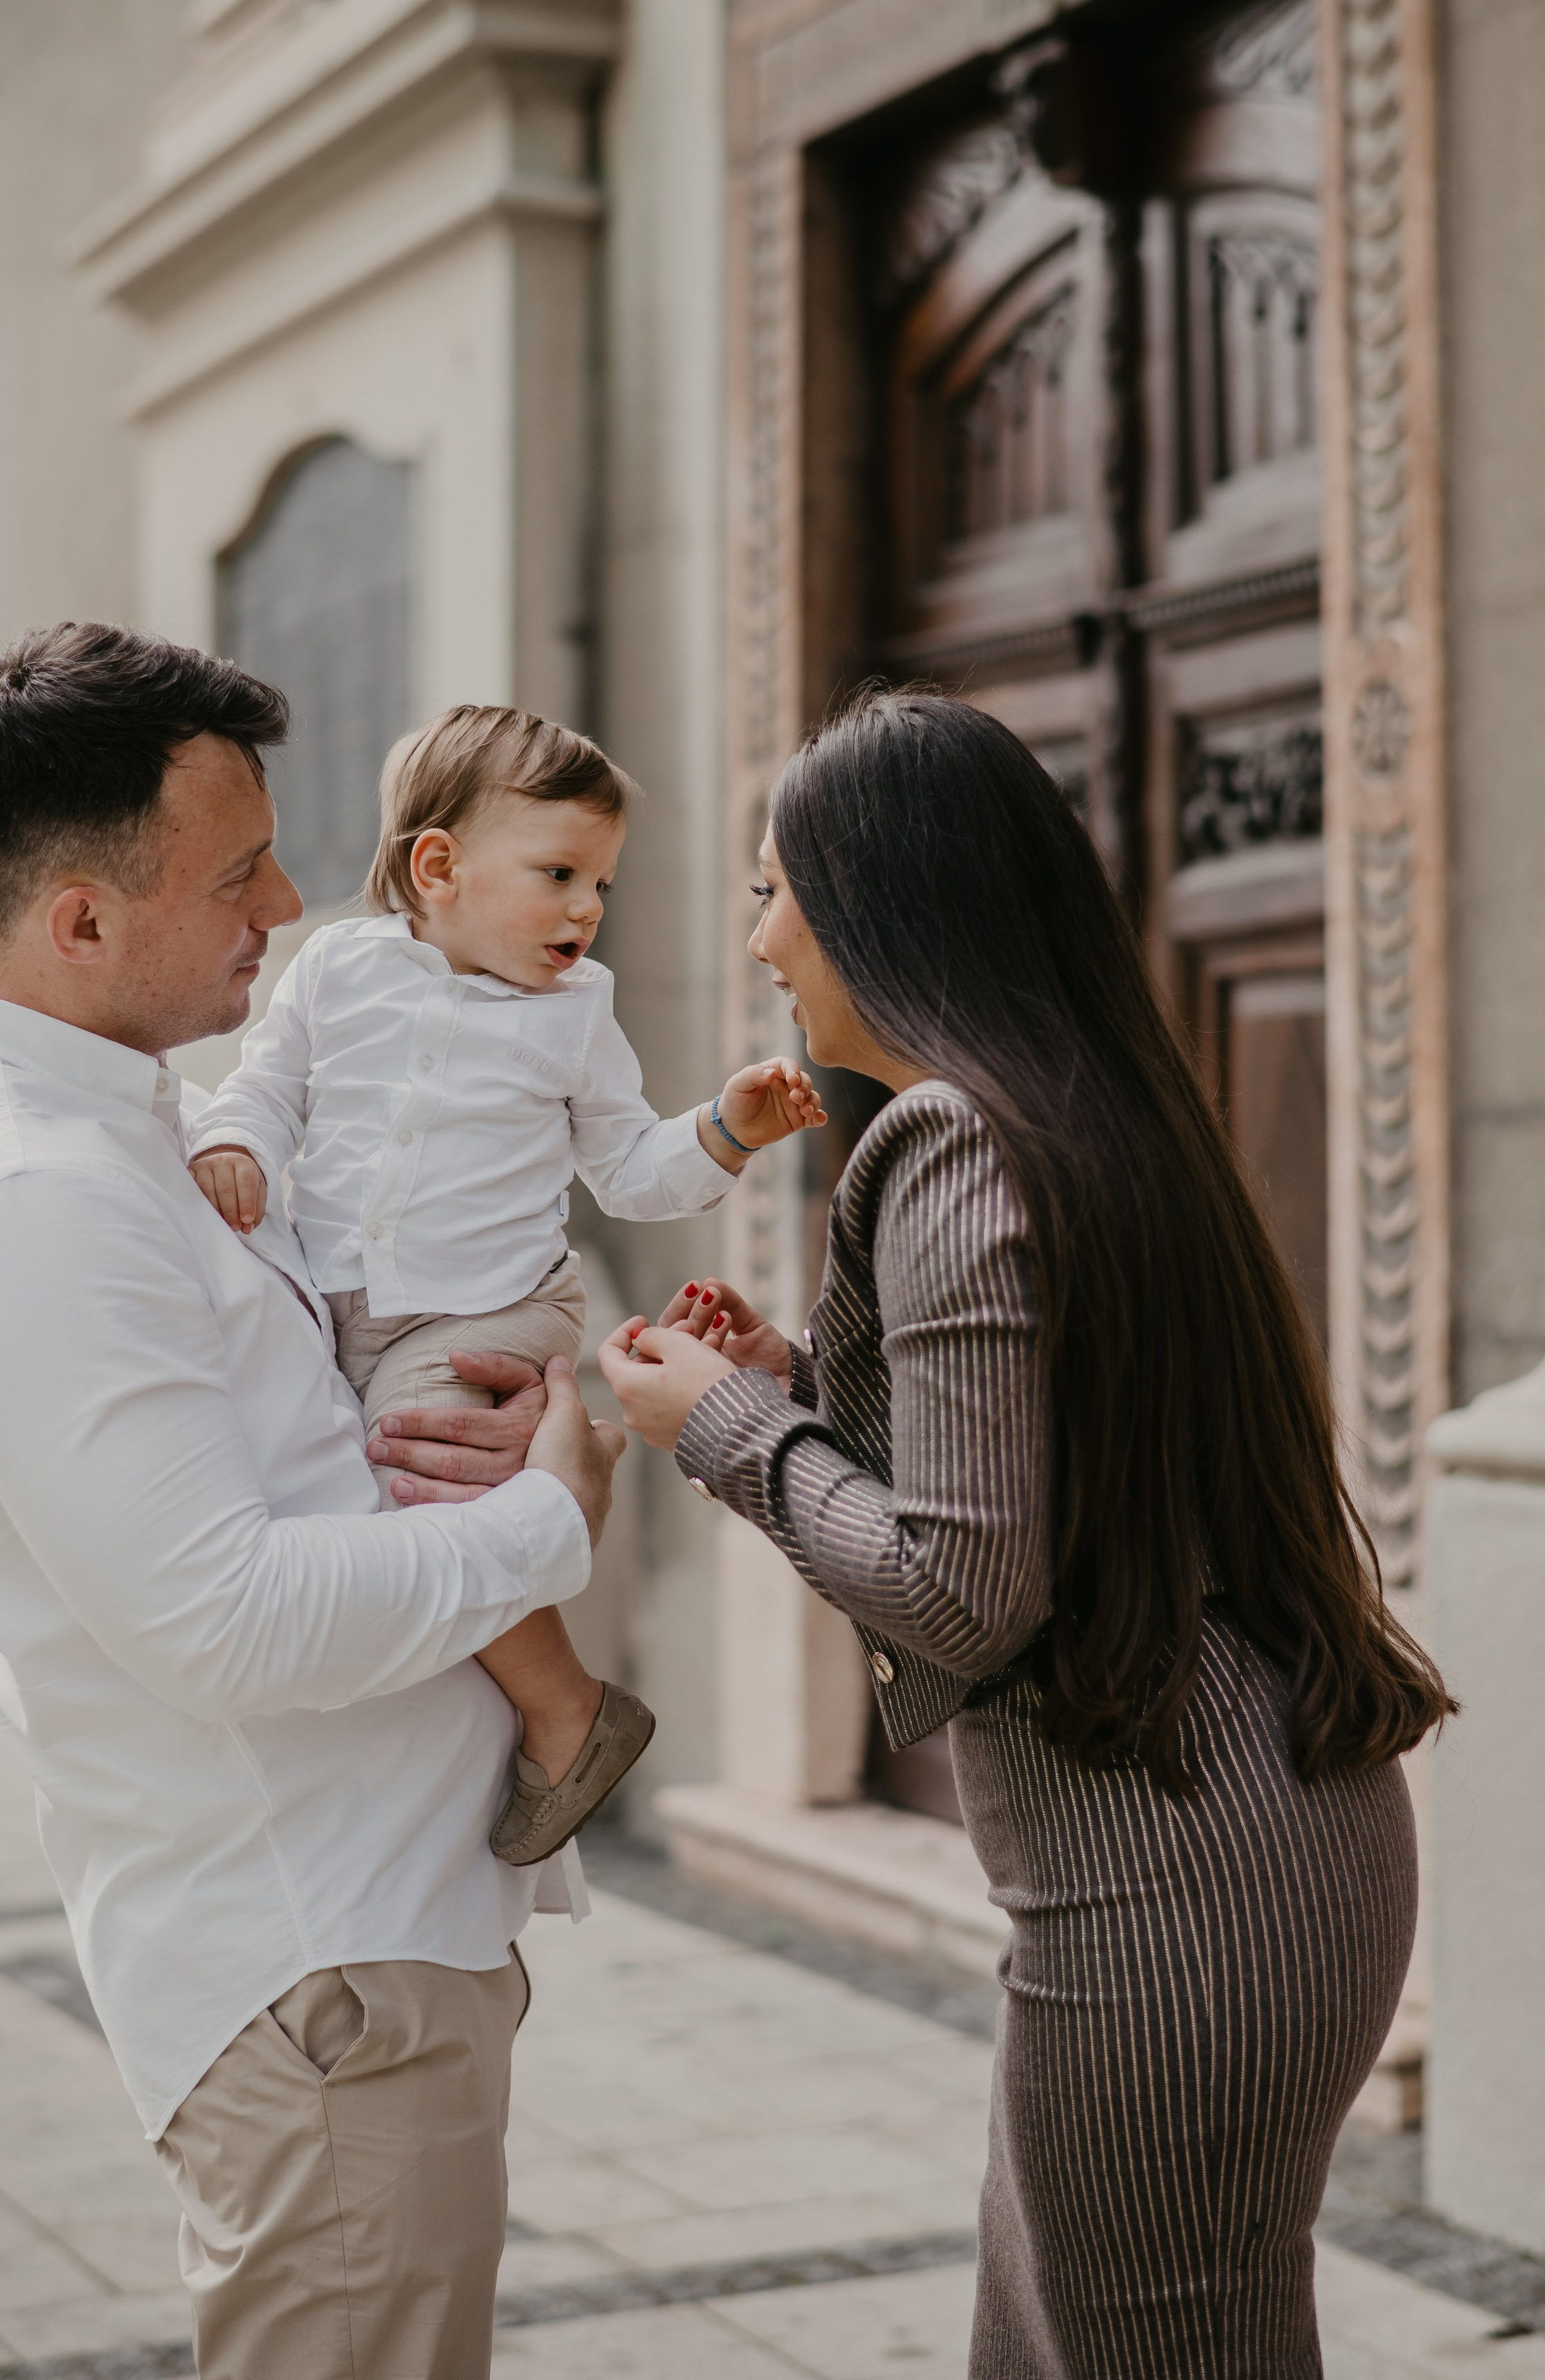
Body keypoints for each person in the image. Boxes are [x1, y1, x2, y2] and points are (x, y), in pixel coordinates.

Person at [597, 687, 1454, 2379]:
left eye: (775, 887)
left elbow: (959, 1587)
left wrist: (722, 1427)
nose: (759, 933)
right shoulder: (1077, 1111)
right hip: (1246, 1842)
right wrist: (794, 1384)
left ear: (880, 900)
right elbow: (1052, 1487)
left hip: (1174, 1886)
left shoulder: (945, 1144)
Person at [0, 623, 623, 2380]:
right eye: (236, 872)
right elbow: (217, 1618)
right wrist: (546, 1516)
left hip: (363, 1942)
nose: (288, 900)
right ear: (78, 920)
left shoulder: (137, 1130)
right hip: (317, 1982)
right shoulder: (25, 1201)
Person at [187, 703, 824, 1866]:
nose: (587, 907)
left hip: (486, 1308)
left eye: (603, 885)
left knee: (426, 1484)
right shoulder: (338, 966)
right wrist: (237, 1142)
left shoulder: (577, 1013)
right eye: (561, 874)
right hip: (336, 1303)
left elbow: (631, 1171)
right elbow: (268, 1083)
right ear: (439, 868)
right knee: (346, 1494)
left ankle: (566, 1709)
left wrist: (726, 1128)